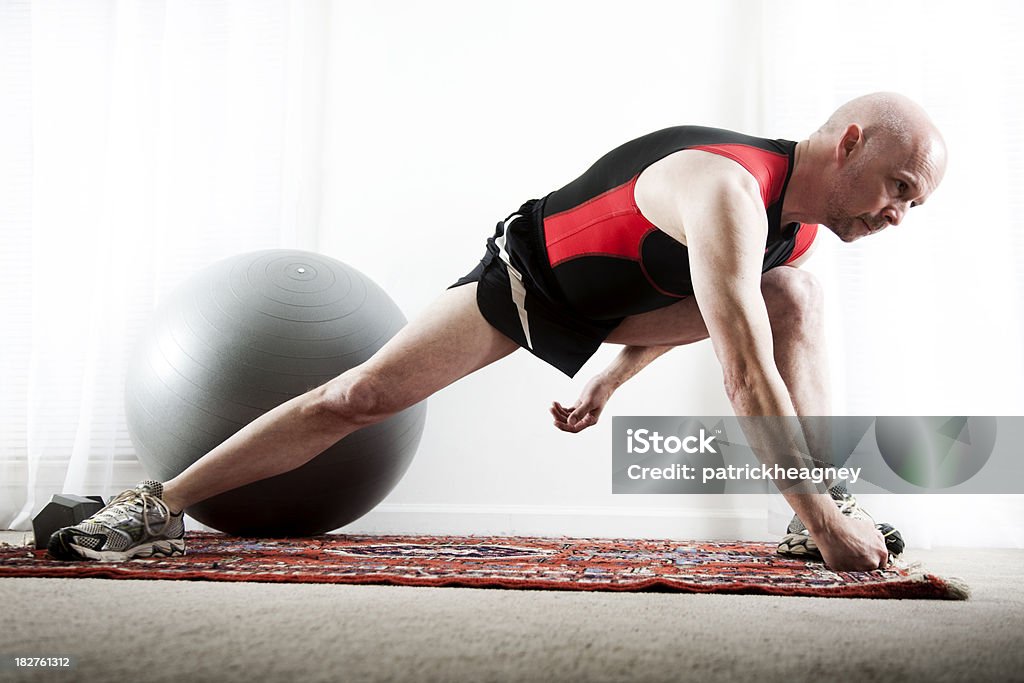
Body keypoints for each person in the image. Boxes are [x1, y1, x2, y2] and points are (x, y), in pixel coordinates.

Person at [48, 92, 946, 571]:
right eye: (900, 187)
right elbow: (744, 374)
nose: (901, 214)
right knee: (360, 395)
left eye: (917, 202)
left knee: (794, 295)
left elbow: (706, 306)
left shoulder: (796, 230)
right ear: (851, 140)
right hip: (533, 277)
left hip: (614, 305)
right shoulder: (730, 191)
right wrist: (827, 525)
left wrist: (604, 378)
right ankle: (153, 504)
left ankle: (815, 503)